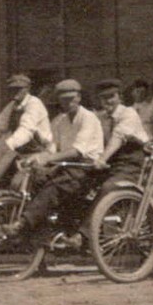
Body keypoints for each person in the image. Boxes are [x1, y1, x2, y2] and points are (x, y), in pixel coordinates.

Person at [14, 79, 104, 244]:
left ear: (79, 97)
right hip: (67, 166)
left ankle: (24, 223)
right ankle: (41, 234)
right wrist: (37, 158)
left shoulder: (88, 118)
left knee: (54, 187)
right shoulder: (60, 121)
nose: (68, 103)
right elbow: (53, 147)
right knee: (38, 179)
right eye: (63, 99)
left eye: (71, 98)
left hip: (88, 168)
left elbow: (76, 151)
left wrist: (47, 158)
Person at [0, 73, 54, 187]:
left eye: (19, 89)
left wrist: (8, 144)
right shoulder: (12, 106)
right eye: (12, 89)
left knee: (17, 185)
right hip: (18, 153)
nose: (15, 92)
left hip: (39, 152)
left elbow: (26, 131)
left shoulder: (34, 103)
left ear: (27, 89)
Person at [95, 78, 149, 184]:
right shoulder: (102, 117)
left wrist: (102, 159)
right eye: (103, 98)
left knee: (110, 187)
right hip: (112, 163)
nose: (108, 101)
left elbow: (118, 137)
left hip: (132, 163)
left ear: (120, 97)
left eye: (111, 96)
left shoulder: (128, 113)